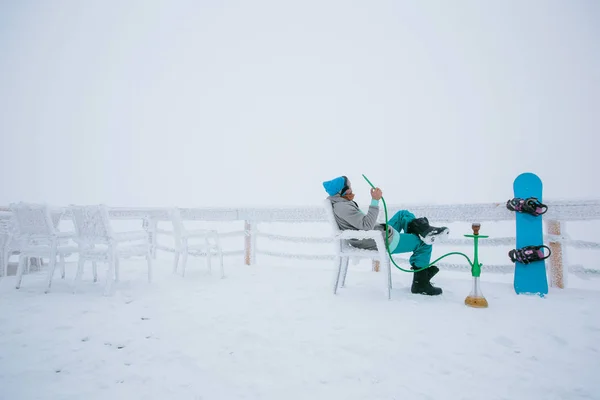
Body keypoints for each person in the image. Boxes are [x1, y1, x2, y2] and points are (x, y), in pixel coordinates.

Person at [323, 175, 449, 296]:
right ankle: (420, 284)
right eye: (349, 186)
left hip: (376, 234)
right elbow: (366, 225)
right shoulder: (343, 207)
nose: (352, 188)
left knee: (402, 214)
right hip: (379, 240)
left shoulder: (341, 203)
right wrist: (375, 200)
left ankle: (424, 231)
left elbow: (363, 225)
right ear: (342, 191)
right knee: (424, 243)